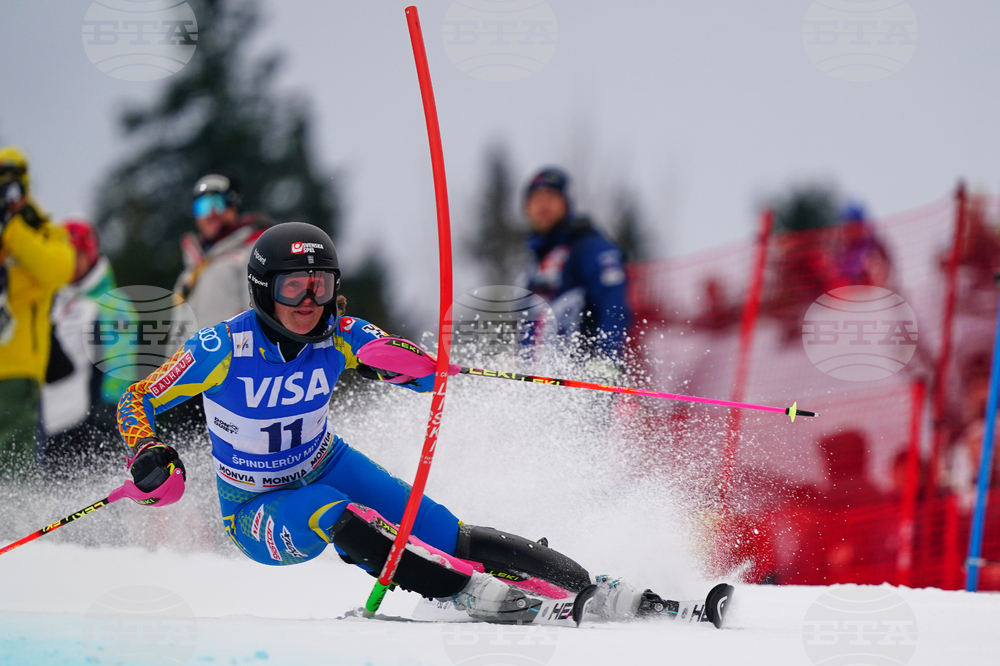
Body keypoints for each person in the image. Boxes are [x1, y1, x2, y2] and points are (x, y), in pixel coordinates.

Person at [115, 222, 669, 623]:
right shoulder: (222, 347)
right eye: (293, 287)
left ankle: (589, 586)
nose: (310, 300)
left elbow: (405, 362)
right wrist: (147, 452)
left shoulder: (337, 331)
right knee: (336, 514)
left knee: (445, 531)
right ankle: (459, 592)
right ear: (263, 290)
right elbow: (136, 398)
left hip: (326, 462)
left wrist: (408, 366)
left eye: (321, 284)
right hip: (256, 506)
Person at [0, 146, 75, 478]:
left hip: (18, 369)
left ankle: (17, 529)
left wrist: (13, 229)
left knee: (15, 467)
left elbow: (58, 269)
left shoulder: (37, 228)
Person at [42, 218, 134, 472]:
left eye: (78, 254)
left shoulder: (112, 303)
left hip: (95, 419)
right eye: (65, 255)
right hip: (56, 420)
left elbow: (121, 360)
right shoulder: (57, 303)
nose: (71, 262)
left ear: (90, 253)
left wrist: (108, 409)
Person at [520, 168, 630, 367]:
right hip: (541, 379)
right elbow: (529, 321)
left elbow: (613, 304)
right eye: (536, 200)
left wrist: (607, 360)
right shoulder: (534, 263)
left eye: (550, 198)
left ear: (566, 203)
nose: (543, 207)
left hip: (583, 375)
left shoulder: (590, 247)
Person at [174, 173, 268, 331]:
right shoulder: (190, 273)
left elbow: (260, 317)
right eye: (202, 207)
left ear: (233, 205)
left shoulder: (253, 252)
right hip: (193, 355)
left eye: (216, 204)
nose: (211, 214)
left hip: (235, 353)